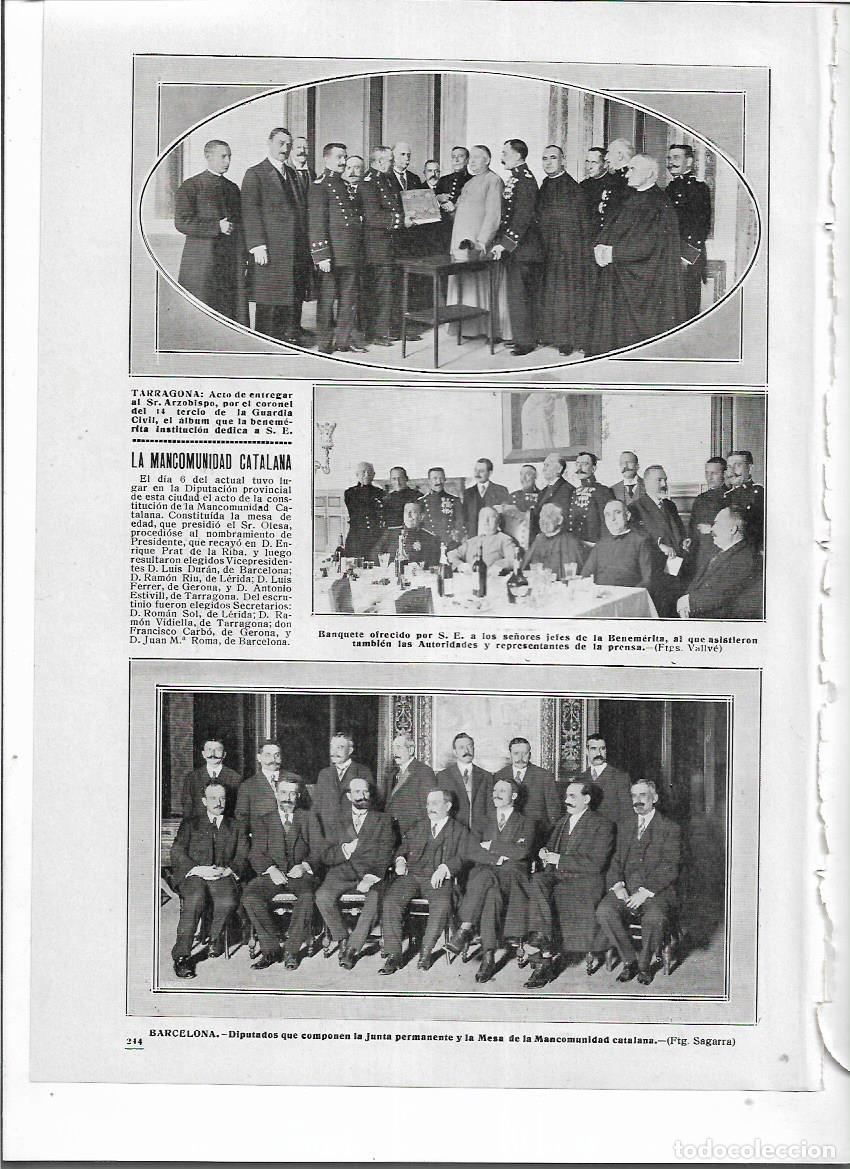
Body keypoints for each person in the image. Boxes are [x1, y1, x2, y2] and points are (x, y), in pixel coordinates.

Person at [588, 154, 685, 357]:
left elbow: (648, 245)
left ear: (649, 174)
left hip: (642, 282)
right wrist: (598, 246)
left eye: (633, 169)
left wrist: (612, 252)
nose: (627, 174)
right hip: (620, 274)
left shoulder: (659, 204)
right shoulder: (632, 197)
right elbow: (612, 229)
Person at [522, 781, 615, 988]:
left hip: (584, 881)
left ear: (587, 799)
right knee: (536, 880)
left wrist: (559, 859)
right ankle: (541, 938)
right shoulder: (563, 822)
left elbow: (596, 864)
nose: (566, 801)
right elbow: (551, 848)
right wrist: (544, 852)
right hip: (559, 876)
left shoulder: (602, 825)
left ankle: (543, 960)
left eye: (572, 796)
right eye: (566, 796)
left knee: (551, 895)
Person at [446, 779, 534, 983]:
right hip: (488, 876)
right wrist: (497, 857)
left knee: (485, 878)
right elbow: (471, 850)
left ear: (514, 796)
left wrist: (491, 845)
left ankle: (464, 929)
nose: (496, 793)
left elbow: (521, 852)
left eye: (502, 790)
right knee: (491, 893)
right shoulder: (482, 820)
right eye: (495, 790)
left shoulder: (526, 822)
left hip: (512, 878)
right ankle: (488, 957)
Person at [595, 779, 681, 985]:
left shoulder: (670, 828)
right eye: (634, 796)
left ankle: (644, 964)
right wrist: (618, 885)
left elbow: (670, 866)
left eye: (642, 795)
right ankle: (629, 960)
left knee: (654, 917)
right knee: (604, 911)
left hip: (656, 891)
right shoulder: (624, 826)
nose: (637, 800)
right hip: (626, 888)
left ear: (655, 798)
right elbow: (615, 860)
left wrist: (645, 892)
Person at [378, 789, 472, 975]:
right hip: (413, 876)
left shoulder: (459, 830)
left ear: (448, 806)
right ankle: (394, 954)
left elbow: (463, 856)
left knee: (442, 905)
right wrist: (400, 860)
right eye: (428, 803)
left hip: (439, 878)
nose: (430, 808)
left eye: (435, 803)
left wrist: (445, 868)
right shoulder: (418, 826)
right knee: (391, 900)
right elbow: (403, 848)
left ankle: (426, 952)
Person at [241, 777, 324, 970]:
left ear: (298, 796)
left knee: (307, 896)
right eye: (284, 793)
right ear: (276, 794)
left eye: (292, 793)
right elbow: (256, 852)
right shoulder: (263, 820)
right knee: (250, 897)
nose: (287, 797)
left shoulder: (308, 818)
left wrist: (304, 866)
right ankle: (271, 949)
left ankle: (291, 951)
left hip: (300, 874)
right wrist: (271, 869)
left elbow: (320, 850)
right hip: (272, 873)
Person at [170, 781, 248, 978]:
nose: (218, 802)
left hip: (222, 874)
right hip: (196, 874)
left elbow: (243, 853)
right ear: (204, 801)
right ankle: (182, 956)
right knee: (194, 900)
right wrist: (197, 869)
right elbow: (177, 851)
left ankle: (214, 937)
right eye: (213, 798)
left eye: (222, 798)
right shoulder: (191, 824)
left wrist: (229, 870)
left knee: (227, 901)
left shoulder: (236, 826)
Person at [242, 127, 308, 343]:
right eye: (281, 143)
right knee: (269, 296)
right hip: (269, 248)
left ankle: (289, 337)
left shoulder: (292, 173)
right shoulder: (255, 173)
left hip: (293, 248)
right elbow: (249, 211)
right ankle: (266, 340)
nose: (285, 148)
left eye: (288, 144)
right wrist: (257, 245)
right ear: (269, 143)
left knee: (290, 294)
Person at [315, 776, 395, 955]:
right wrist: (345, 850)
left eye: (366, 791)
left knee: (375, 898)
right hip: (342, 872)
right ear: (349, 796)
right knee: (322, 896)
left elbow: (386, 853)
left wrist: (370, 877)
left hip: (371, 873)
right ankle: (342, 937)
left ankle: (352, 947)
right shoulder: (335, 820)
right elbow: (326, 854)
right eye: (358, 792)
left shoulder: (383, 820)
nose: (363, 795)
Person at [174, 139, 248, 325]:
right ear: (208, 157)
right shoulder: (191, 186)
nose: (227, 161)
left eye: (229, 156)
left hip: (230, 261)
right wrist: (216, 227)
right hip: (203, 262)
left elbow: (241, 223)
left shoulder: (232, 188)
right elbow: (182, 222)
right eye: (223, 156)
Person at [535, 144, 594, 356]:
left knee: (565, 295)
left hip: (567, 252)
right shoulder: (545, 184)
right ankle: (548, 335)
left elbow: (579, 224)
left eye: (553, 158)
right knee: (548, 293)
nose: (548, 162)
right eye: (545, 158)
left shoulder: (572, 188)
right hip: (547, 249)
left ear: (563, 161)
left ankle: (566, 340)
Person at [309, 142, 367, 355]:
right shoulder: (320, 185)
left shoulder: (344, 185)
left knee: (349, 299)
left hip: (349, 252)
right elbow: (316, 223)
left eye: (345, 157)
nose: (343, 161)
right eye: (339, 157)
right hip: (331, 254)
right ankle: (325, 343)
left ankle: (343, 340)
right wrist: (321, 255)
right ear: (327, 159)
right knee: (327, 300)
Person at [491, 139, 543, 357]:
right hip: (519, 249)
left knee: (520, 295)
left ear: (517, 155)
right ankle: (522, 337)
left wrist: (505, 244)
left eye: (505, 153)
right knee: (517, 295)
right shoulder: (516, 178)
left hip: (524, 249)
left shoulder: (525, 181)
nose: (502, 157)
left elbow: (522, 218)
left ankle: (525, 342)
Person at [445, 146, 504, 336]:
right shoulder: (469, 182)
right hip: (460, 242)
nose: (471, 161)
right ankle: (463, 328)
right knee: (462, 283)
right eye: (471, 157)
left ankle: (481, 329)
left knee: (477, 283)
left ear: (487, 160)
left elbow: (493, 215)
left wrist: (482, 242)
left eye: (477, 157)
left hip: (476, 243)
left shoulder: (493, 180)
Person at [359, 146, 408, 345]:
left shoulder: (386, 180)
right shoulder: (368, 183)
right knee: (381, 290)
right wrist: (402, 220)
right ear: (379, 161)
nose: (392, 163)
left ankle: (393, 328)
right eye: (390, 160)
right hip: (377, 246)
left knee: (393, 288)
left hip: (391, 244)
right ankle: (379, 333)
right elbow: (373, 217)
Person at [676, 506, 761, 619]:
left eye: (717, 524)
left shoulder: (745, 559)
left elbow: (720, 593)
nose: (712, 528)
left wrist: (687, 602)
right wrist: (686, 600)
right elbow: (699, 582)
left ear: (732, 530)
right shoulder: (718, 550)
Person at [628, 464, 690, 616]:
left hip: (677, 567)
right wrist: (659, 545)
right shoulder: (635, 508)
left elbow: (679, 531)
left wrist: (684, 540)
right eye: (659, 480)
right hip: (656, 570)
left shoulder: (670, 505)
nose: (664, 484)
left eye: (665, 480)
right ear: (646, 483)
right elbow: (636, 537)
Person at [666, 144, 712, 320]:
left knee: (687, 308)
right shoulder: (670, 188)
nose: (671, 162)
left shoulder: (699, 189)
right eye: (669, 158)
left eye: (676, 157)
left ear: (689, 161)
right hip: (670, 256)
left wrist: (685, 258)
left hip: (688, 258)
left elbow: (700, 228)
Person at [491, 737, 561, 844]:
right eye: (516, 753)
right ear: (510, 755)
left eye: (525, 753)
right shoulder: (499, 775)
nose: (520, 758)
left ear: (530, 755)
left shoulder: (544, 776)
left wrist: (546, 839)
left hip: (537, 837)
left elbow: (554, 812)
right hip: (507, 837)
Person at [580, 500, 655, 590]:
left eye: (617, 513)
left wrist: (628, 595)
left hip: (628, 595)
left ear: (627, 516)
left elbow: (647, 580)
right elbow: (585, 576)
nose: (612, 519)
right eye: (608, 515)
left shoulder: (641, 541)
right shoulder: (600, 544)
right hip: (601, 594)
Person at [235, 741, 303, 839]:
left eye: (277, 755)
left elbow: (306, 810)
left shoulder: (296, 780)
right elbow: (241, 822)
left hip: (293, 839)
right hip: (263, 841)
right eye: (268, 755)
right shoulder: (247, 786)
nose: (273, 759)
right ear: (259, 757)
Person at [312, 731, 375, 831]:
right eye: (332, 747)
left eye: (339, 747)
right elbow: (316, 809)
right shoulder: (324, 774)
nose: (334, 752)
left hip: (353, 834)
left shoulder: (363, 772)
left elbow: (368, 809)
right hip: (327, 835)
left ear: (350, 750)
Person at [436, 732, 493, 835]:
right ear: (455, 752)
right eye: (461, 747)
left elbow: (491, 810)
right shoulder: (443, 777)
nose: (466, 751)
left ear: (474, 749)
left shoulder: (487, 776)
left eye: (469, 746)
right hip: (453, 835)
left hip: (480, 835)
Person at [575, 733, 633, 830]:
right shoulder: (580, 779)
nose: (598, 753)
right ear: (587, 751)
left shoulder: (620, 778)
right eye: (594, 749)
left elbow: (628, 815)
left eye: (602, 749)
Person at [384, 732, 435, 836]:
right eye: (393, 748)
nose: (395, 752)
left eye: (399, 748)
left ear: (411, 750)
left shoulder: (424, 772)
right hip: (393, 833)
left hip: (413, 834)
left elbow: (428, 809)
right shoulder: (393, 773)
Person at [181, 737, 242, 819]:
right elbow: (187, 809)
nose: (213, 754)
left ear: (224, 754)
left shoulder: (235, 778)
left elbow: (238, 810)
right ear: (203, 754)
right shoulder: (192, 778)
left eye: (217, 750)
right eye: (209, 750)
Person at [523, 502, 587, 577]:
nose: (544, 521)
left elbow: (574, 575)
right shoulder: (539, 539)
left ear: (560, 520)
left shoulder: (570, 542)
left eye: (549, 517)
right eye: (542, 516)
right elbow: (525, 568)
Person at [372, 500, 441, 568]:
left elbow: (433, 566)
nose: (408, 515)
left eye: (413, 512)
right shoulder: (390, 533)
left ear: (421, 516)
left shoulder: (431, 539)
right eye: (406, 512)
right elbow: (375, 554)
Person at [688, 456, 728, 573]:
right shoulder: (700, 499)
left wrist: (711, 529)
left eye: (714, 473)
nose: (709, 477)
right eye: (707, 473)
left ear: (724, 474)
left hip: (720, 555)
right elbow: (692, 526)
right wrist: (689, 539)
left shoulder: (731, 497)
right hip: (700, 554)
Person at [449, 506, 519, 572]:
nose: (486, 520)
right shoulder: (471, 541)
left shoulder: (504, 539)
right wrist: (461, 565)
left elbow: (513, 559)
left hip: (491, 577)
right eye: (483, 517)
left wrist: (498, 566)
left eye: (490, 517)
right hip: (469, 577)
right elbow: (451, 555)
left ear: (498, 521)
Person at [567, 451, 614, 543]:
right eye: (577, 464)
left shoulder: (602, 491)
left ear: (593, 468)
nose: (579, 468)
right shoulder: (574, 492)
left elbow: (606, 524)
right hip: (574, 544)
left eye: (584, 464)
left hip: (594, 544)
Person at [722, 450, 765, 549]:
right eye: (729, 467)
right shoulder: (726, 496)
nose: (732, 471)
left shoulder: (758, 493)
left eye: (737, 465)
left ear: (749, 468)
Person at [529, 453, 575, 543]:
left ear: (559, 469)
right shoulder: (543, 491)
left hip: (558, 540)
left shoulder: (568, 490)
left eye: (548, 465)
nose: (544, 469)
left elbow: (566, 519)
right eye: (544, 465)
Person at [343, 461, 384, 559]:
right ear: (357, 474)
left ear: (374, 475)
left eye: (369, 472)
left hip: (375, 538)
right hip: (356, 537)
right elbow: (359, 510)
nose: (366, 475)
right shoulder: (350, 493)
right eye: (363, 472)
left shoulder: (380, 493)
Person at [594, 138, 634, 236]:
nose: (606, 158)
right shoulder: (615, 178)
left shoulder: (630, 180)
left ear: (620, 156)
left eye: (609, 153)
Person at [434, 146, 472, 248]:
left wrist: (456, 208)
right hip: (443, 228)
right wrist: (439, 199)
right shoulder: (443, 180)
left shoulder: (473, 180)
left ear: (467, 160)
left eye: (460, 156)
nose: (456, 160)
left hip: (464, 227)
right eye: (453, 157)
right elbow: (433, 202)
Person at [462, 457, 510, 536]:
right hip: (473, 537)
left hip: (493, 537)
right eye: (475, 470)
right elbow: (465, 517)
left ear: (490, 473)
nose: (477, 474)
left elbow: (504, 518)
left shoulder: (501, 491)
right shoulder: (468, 493)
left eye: (481, 471)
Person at [421, 466, 466, 549]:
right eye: (435, 478)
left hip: (450, 544)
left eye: (441, 478)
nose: (438, 481)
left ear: (445, 479)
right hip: (428, 545)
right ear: (429, 481)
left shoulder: (455, 501)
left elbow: (460, 523)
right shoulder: (421, 502)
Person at [579, 145, 609, 237]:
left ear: (605, 164)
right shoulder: (583, 185)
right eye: (587, 162)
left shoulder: (614, 185)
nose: (589, 167)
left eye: (594, 162)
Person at [382, 466, 423, 532]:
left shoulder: (417, 496)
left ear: (406, 479)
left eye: (400, 479)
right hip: (391, 534)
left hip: (412, 533)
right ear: (390, 480)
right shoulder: (387, 499)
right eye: (394, 479)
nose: (397, 482)